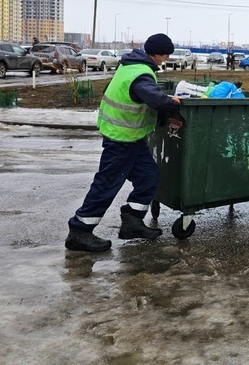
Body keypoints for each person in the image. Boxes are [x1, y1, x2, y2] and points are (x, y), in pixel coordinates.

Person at [65, 33, 182, 252]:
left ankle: (132, 223)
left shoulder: (131, 66)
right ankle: (79, 232)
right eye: (165, 55)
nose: (165, 59)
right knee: (107, 184)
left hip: (131, 139)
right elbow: (155, 99)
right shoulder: (141, 74)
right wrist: (171, 102)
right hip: (121, 140)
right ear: (156, 53)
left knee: (148, 176)